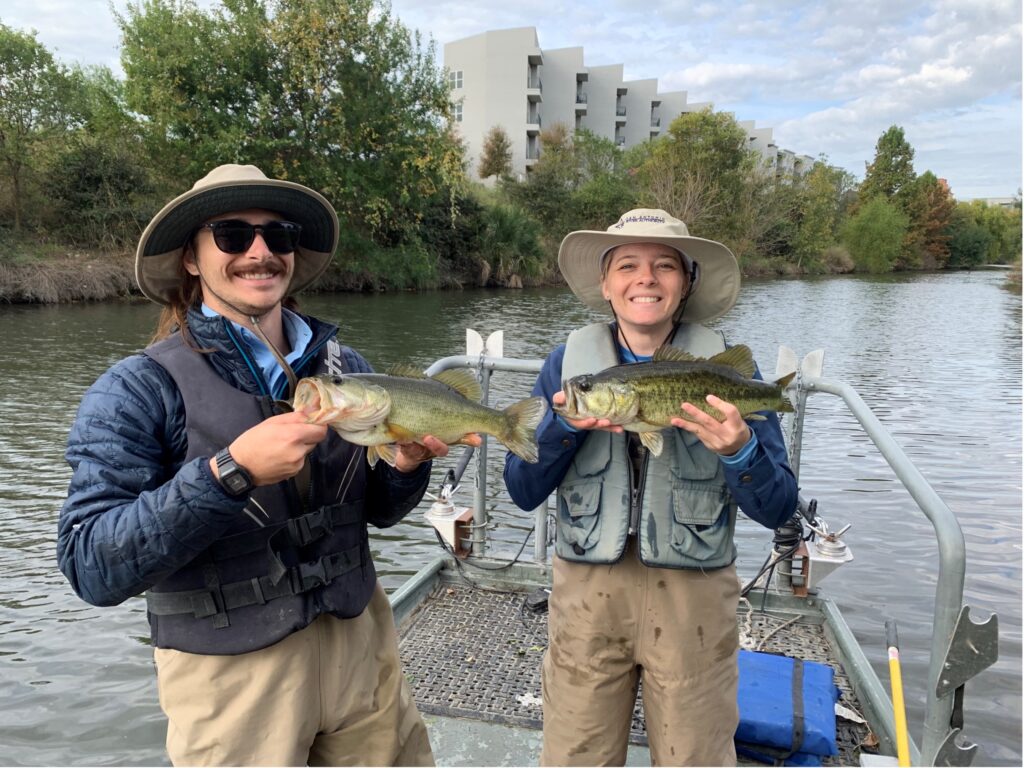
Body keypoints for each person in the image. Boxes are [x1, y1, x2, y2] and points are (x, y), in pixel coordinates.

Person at [57, 164, 447, 766]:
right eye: (233, 236)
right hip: (231, 681)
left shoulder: (348, 369)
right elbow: (91, 565)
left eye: (279, 235)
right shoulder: (135, 388)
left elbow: (381, 513)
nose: (260, 252)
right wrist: (229, 473)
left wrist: (404, 464)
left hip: (361, 653)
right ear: (192, 258)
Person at [503, 209, 798, 766]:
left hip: (696, 603)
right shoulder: (567, 367)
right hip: (587, 599)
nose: (646, 278)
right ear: (606, 284)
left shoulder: (730, 372)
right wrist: (562, 427)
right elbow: (521, 490)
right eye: (629, 265)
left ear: (687, 282)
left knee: (696, 756)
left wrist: (740, 451)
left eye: (665, 265)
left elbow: (778, 505)